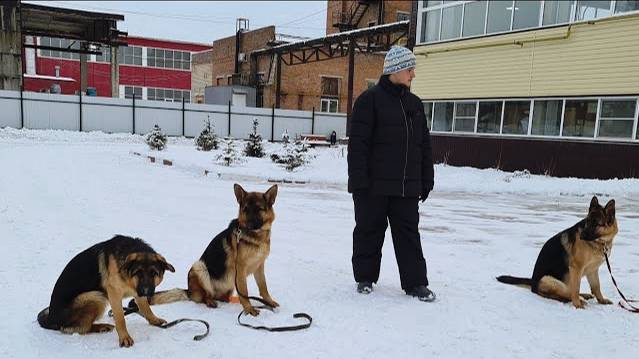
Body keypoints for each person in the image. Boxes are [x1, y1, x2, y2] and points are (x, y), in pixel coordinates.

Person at [347, 46, 435, 302]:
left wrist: (426, 179)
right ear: (395, 70)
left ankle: (416, 283)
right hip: (373, 187)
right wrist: (359, 182)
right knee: (368, 231)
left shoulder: (414, 104)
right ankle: (365, 278)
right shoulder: (369, 100)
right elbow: (358, 146)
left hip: (406, 188)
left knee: (409, 235)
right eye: (410, 69)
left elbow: (424, 146)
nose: (413, 75)